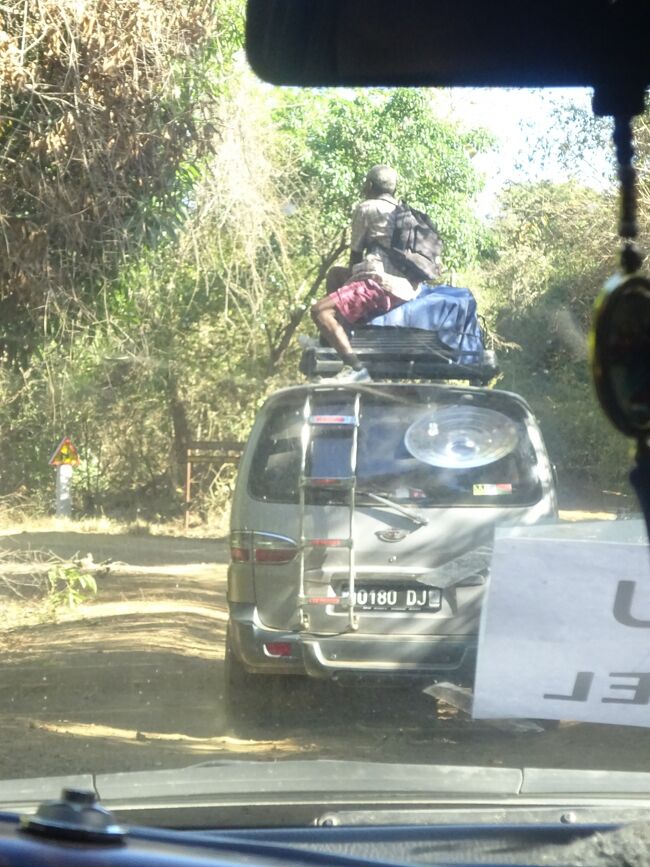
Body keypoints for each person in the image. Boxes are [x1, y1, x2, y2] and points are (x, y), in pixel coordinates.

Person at [310, 165, 420, 382]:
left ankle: (354, 367)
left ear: (369, 185)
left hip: (380, 285)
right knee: (335, 275)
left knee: (319, 311)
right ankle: (334, 340)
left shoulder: (367, 208)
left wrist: (348, 289)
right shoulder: (404, 211)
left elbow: (355, 257)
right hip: (407, 287)